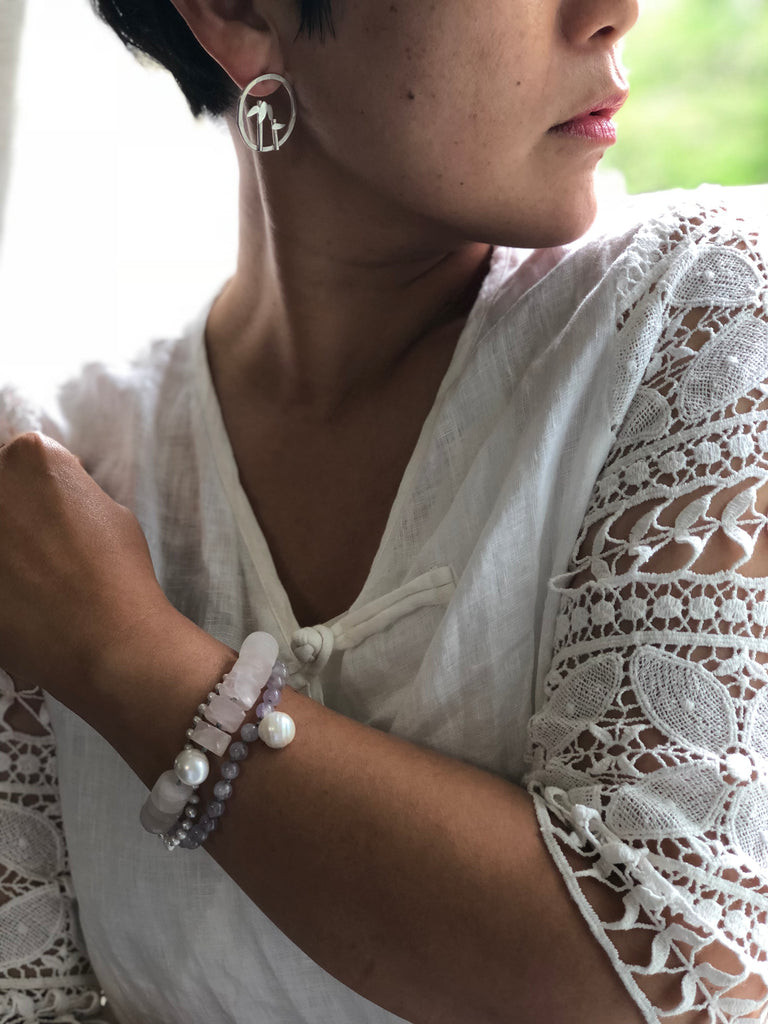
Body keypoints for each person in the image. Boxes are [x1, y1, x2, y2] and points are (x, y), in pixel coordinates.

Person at [0, 0, 767, 1020]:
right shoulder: (54, 475)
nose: (615, 13)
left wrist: (128, 659)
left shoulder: (695, 324)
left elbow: (676, 981)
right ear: (238, 10)